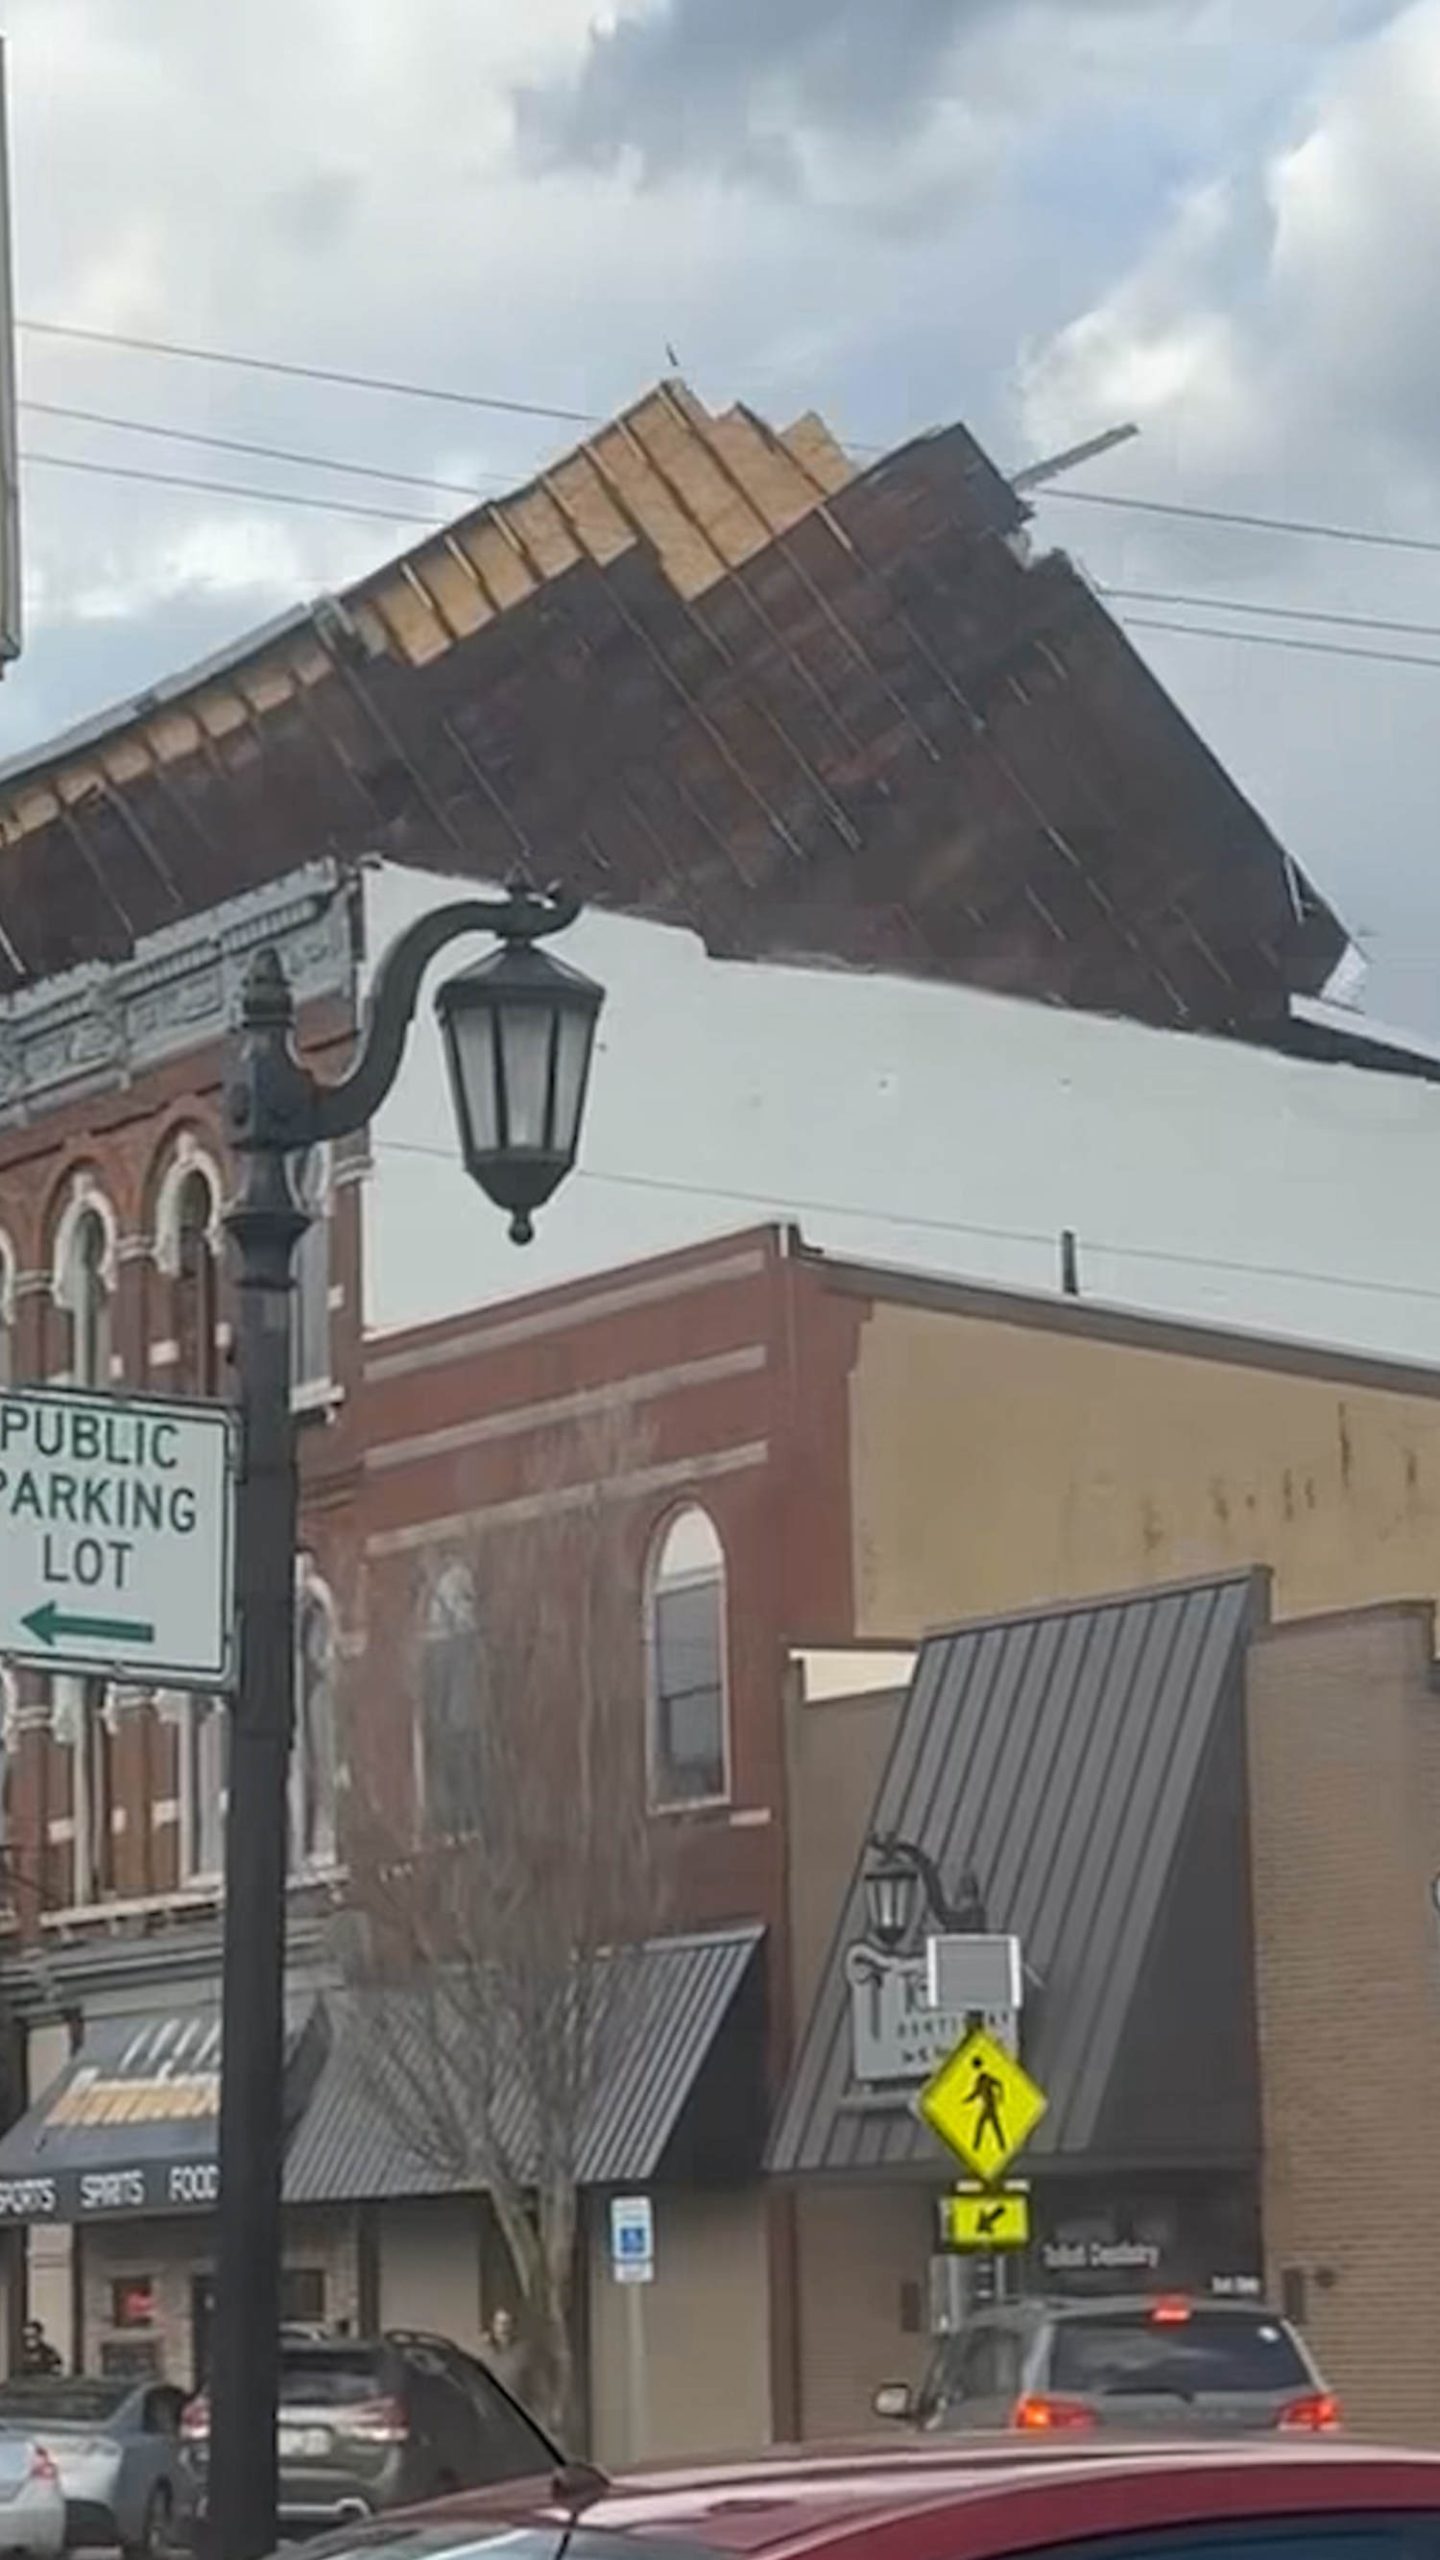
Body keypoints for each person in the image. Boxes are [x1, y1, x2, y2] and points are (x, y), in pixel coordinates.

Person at [483, 2307, 529, 2403]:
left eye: (507, 2323)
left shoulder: (524, 2354)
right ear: (493, 2327)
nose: (503, 2328)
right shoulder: (487, 2357)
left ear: (513, 2327)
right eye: (499, 2323)